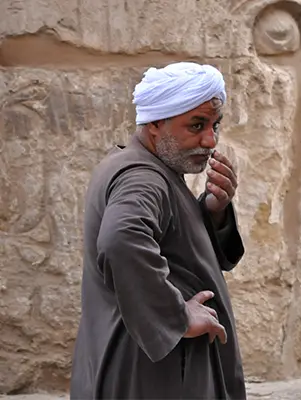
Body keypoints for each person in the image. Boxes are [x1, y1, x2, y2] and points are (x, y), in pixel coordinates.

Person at [70, 62, 247, 399]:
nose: (210, 140)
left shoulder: (148, 168)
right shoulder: (142, 177)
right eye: (196, 125)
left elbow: (174, 245)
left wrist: (213, 211)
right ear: (154, 123)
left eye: (215, 125)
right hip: (153, 376)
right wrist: (177, 315)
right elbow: (122, 241)